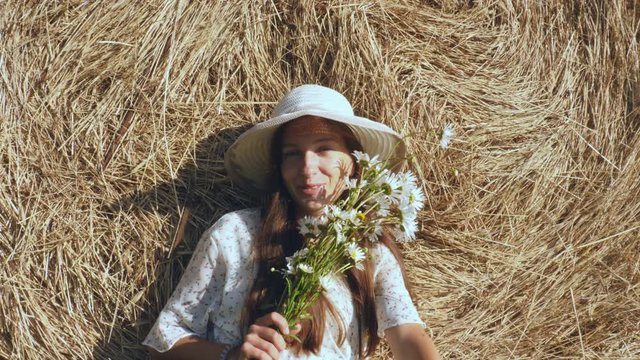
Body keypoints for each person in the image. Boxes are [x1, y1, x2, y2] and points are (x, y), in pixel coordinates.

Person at [142, 84, 440, 359]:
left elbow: (407, 334)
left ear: (352, 161)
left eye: (324, 148)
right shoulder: (234, 235)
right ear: (279, 166)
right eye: (292, 154)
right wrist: (233, 355)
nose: (308, 168)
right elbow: (164, 342)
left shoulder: (369, 253)